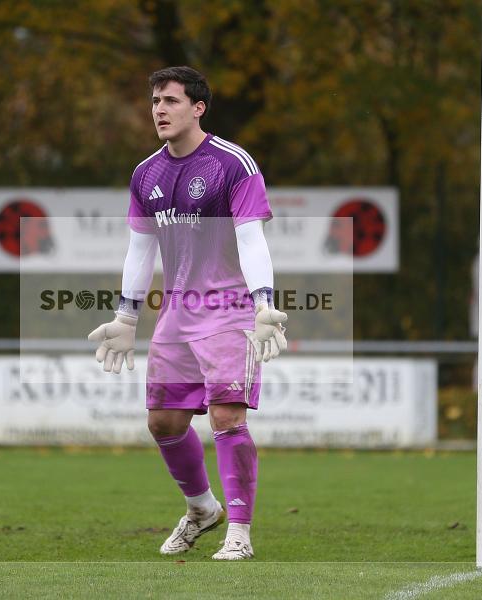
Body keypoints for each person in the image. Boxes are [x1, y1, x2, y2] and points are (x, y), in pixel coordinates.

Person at [87, 66, 287, 560]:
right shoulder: (145, 174)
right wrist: (127, 318)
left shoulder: (232, 164)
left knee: (226, 416)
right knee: (163, 423)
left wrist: (264, 302)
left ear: (198, 108)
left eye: (171, 100)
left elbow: (251, 239)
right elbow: (140, 250)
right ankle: (202, 509)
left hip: (230, 310)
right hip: (177, 314)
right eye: (155, 101)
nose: (159, 109)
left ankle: (239, 532)